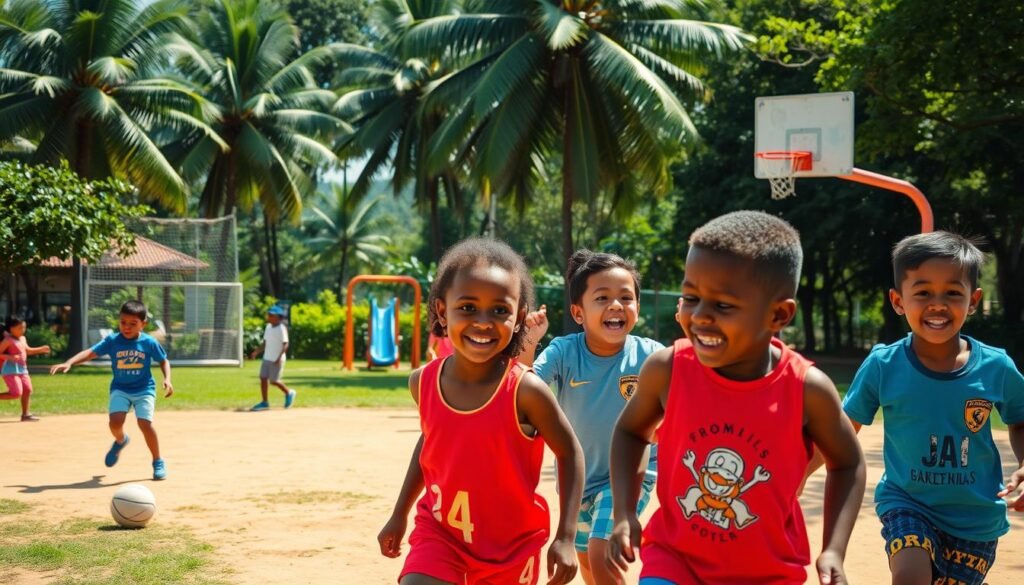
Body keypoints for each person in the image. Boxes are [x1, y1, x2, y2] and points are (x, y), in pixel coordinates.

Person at [607, 210, 866, 584]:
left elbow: (848, 464)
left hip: (768, 572)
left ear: (778, 314)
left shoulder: (807, 389)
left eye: (723, 305)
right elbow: (630, 432)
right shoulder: (668, 368)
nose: (700, 316)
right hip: (675, 561)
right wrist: (624, 512)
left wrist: (833, 549)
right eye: (691, 297)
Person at [377, 237, 585, 585]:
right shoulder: (423, 382)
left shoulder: (526, 392)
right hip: (440, 533)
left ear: (519, 318)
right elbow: (430, 443)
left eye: (500, 310)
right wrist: (400, 513)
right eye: (468, 308)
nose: (483, 322)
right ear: (443, 311)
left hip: (510, 548)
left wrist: (565, 536)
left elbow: (570, 452)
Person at [840, 231, 1024, 585]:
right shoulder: (884, 364)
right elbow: (843, 430)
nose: (937, 304)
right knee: (910, 574)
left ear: (973, 301)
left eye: (953, 293)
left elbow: (1019, 420)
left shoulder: (996, 367)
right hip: (906, 501)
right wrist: (799, 470)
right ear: (898, 301)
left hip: (976, 519)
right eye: (922, 292)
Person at [518, 250, 662, 585]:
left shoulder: (652, 356)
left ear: (637, 308)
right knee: (587, 566)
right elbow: (525, 390)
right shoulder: (563, 351)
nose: (616, 305)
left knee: (600, 552)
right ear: (578, 313)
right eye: (603, 297)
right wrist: (527, 344)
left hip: (629, 475)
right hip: (579, 481)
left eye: (626, 297)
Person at [50, 300, 173, 480]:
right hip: (120, 388)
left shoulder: (149, 342)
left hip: (144, 388)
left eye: (133, 324)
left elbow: (163, 360)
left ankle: (157, 461)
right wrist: (69, 362)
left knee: (144, 423)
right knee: (115, 422)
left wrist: (167, 379)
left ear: (143, 324)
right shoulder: (113, 341)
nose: (127, 327)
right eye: (123, 322)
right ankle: (121, 440)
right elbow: (90, 352)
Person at [0, 316, 51, 421]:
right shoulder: (8, 340)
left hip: (23, 369)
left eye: (23, 327)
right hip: (10, 370)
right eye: (19, 328)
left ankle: (25, 414)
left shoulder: (22, 339)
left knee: (27, 390)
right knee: (16, 393)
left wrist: (41, 349)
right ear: (10, 328)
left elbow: (28, 350)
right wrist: (10, 357)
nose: (22, 330)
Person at [249, 305, 296, 411]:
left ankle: (289, 393)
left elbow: (285, 344)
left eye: (271, 315)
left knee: (274, 381)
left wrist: (279, 358)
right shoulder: (268, 327)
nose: (269, 316)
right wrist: (256, 352)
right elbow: (265, 344)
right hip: (267, 358)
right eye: (269, 314)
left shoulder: (281, 328)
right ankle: (265, 402)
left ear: (278, 317)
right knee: (263, 378)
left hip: (277, 359)